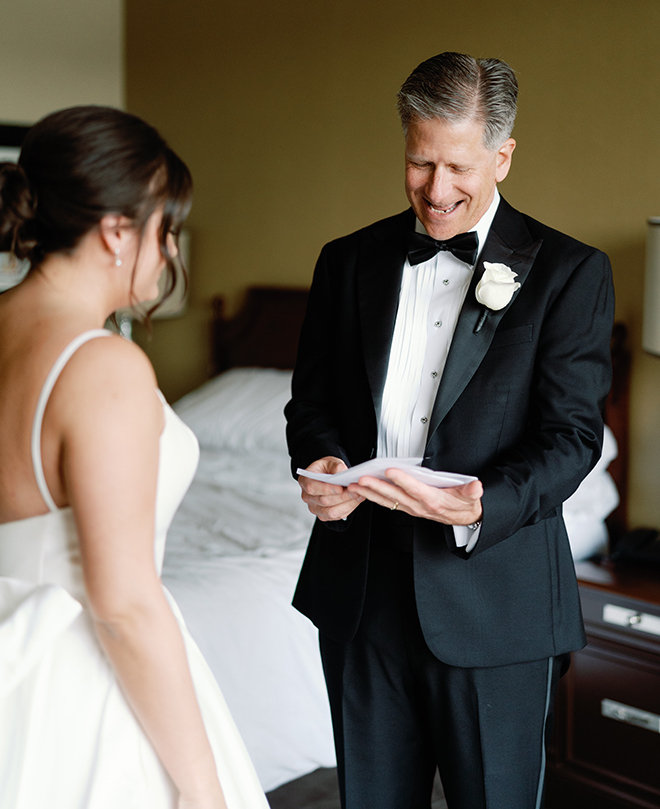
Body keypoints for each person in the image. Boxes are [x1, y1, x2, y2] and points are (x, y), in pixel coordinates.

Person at [285, 52, 614, 809]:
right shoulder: (346, 262)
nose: (437, 191)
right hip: (361, 593)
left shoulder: (570, 272)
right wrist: (324, 459)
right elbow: (311, 402)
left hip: (496, 597)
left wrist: (482, 503)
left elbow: (571, 435)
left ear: (503, 155)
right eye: (418, 162)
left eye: (459, 166)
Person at [0, 106, 269, 809]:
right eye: (167, 229)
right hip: (77, 691)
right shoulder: (102, 366)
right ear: (118, 231)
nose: (172, 253)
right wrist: (204, 786)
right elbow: (121, 603)